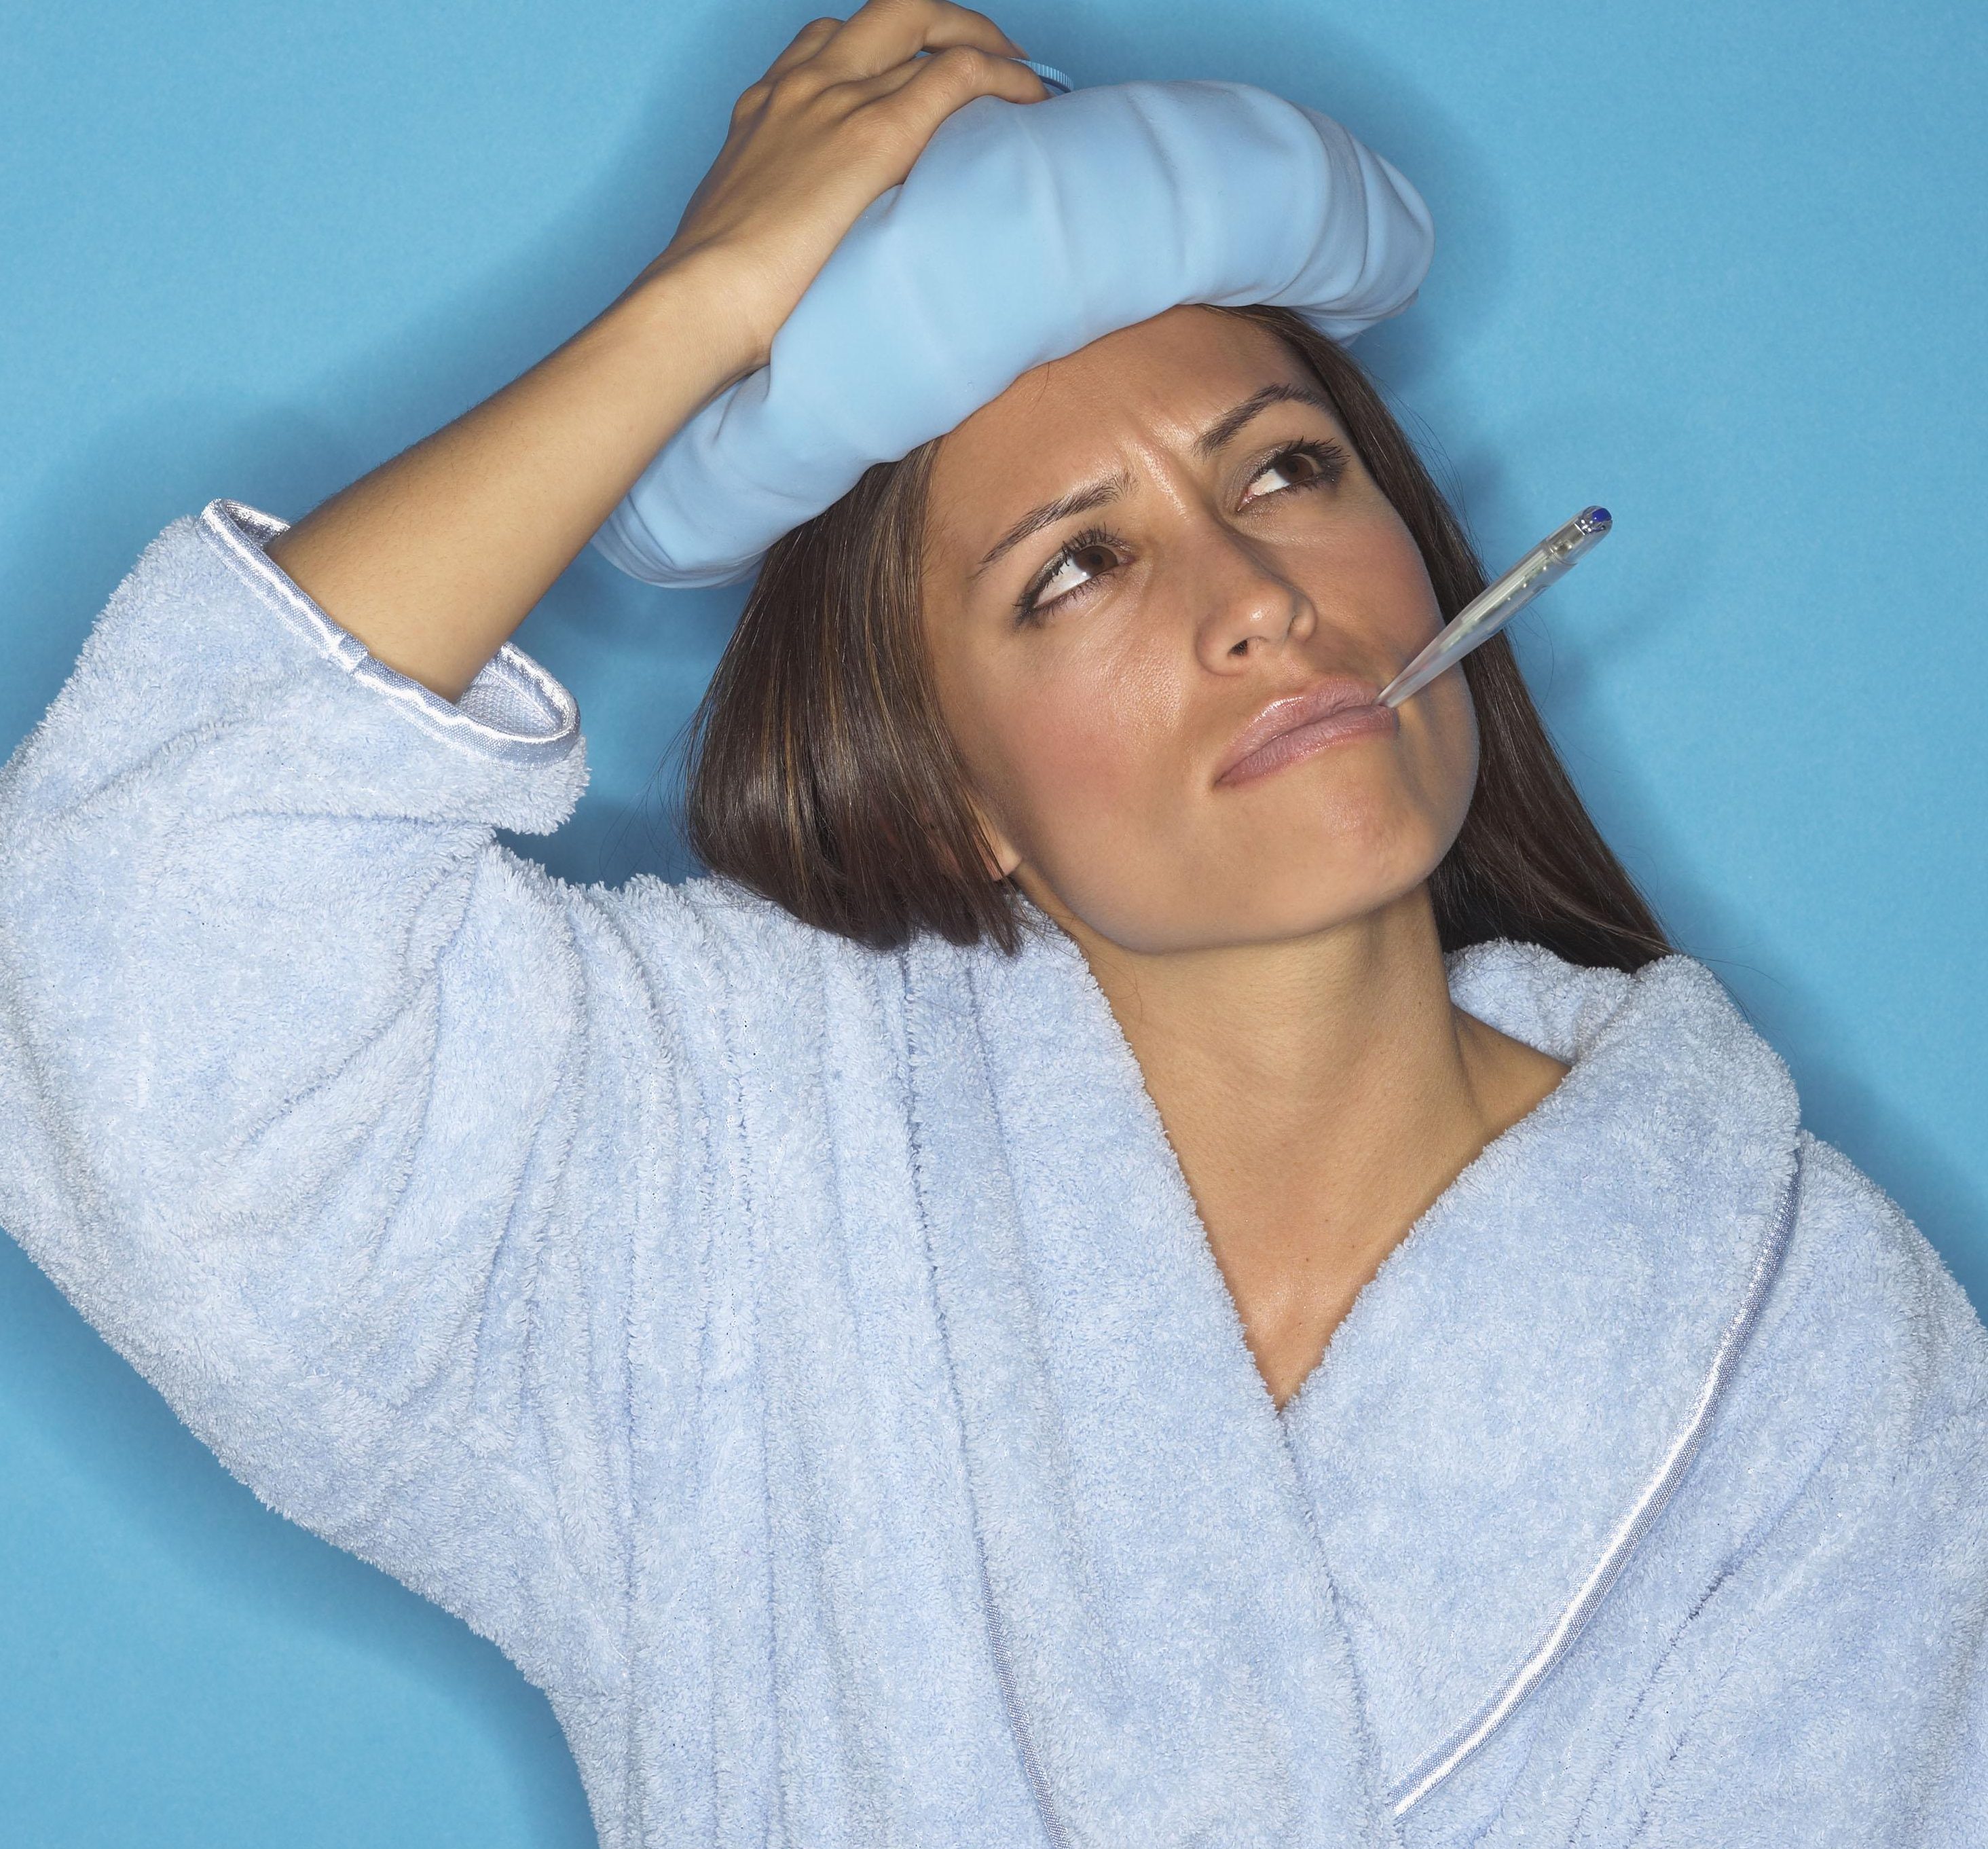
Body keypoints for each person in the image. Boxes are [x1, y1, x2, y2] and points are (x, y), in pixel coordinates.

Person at [1, 2, 1982, 1842]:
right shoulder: (741, 1185)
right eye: (1079, 568)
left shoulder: (1801, 1333)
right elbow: (147, 944)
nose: (1256, 597)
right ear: (955, 797)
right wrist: (703, 305)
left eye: (1288, 469)